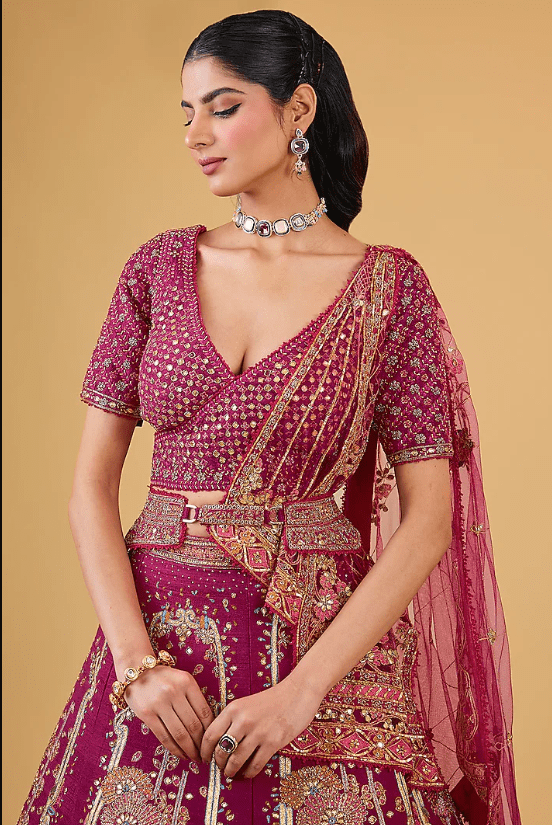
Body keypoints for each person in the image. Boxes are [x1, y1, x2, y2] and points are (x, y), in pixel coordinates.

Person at [18, 10, 522, 825]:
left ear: (299, 110)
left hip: (319, 648)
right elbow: (90, 488)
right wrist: (138, 666)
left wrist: (301, 694)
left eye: (222, 107)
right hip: (160, 655)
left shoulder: (389, 291)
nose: (195, 134)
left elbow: (429, 517)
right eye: (187, 113)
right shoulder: (157, 269)